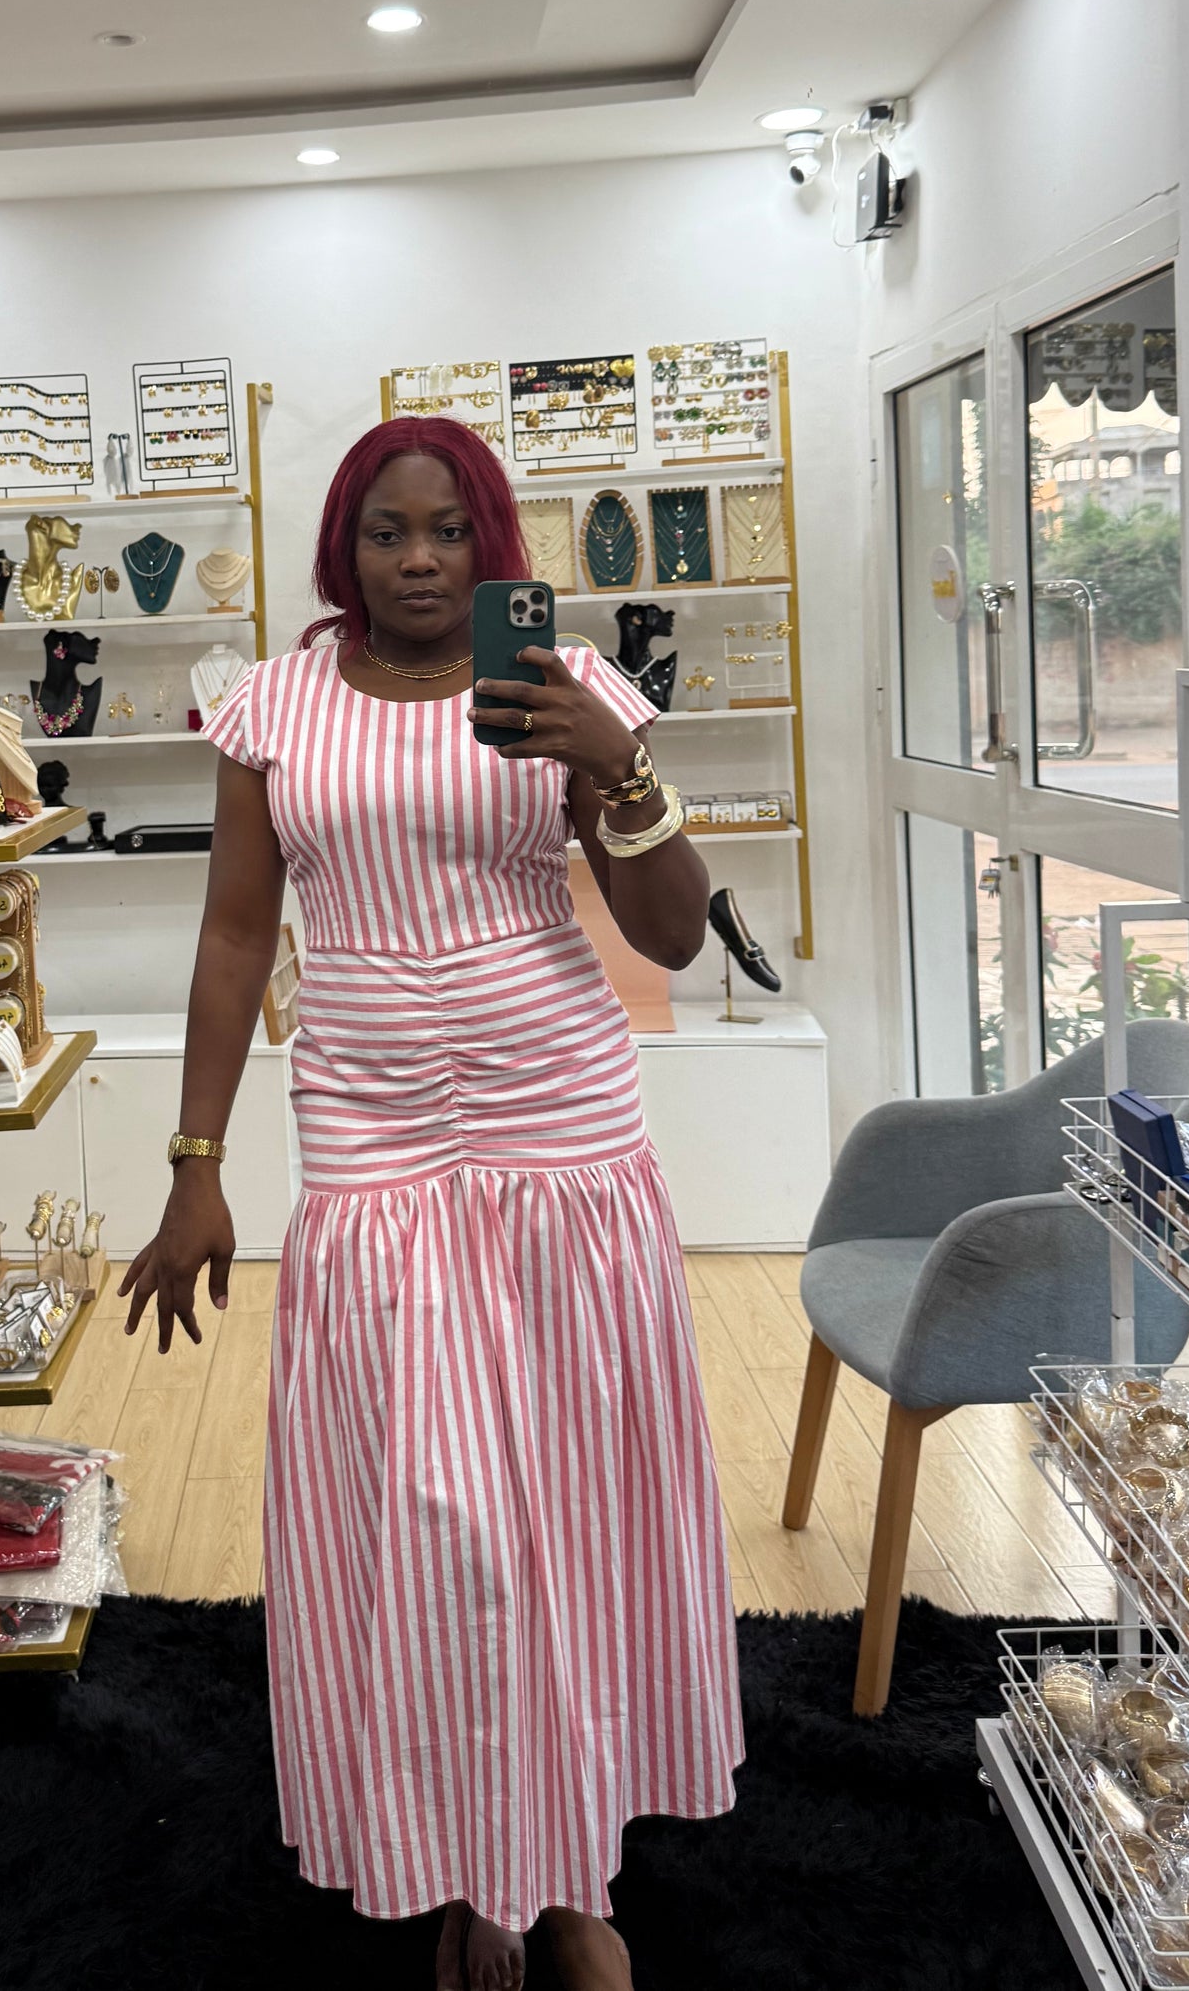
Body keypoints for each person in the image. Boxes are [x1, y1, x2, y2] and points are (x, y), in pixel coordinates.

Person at [120, 418, 743, 1990]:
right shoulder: (272, 706)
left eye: (448, 531)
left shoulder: (566, 688)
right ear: (344, 543)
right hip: (370, 1141)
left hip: (560, 1136)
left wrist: (617, 765)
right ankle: (474, 1859)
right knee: (428, 1514)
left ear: (491, 544)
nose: (415, 561)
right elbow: (234, 939)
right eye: (386, 531)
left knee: (572, 1511)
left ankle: (570, 1876)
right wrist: (194, 1166)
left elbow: (672, 936)